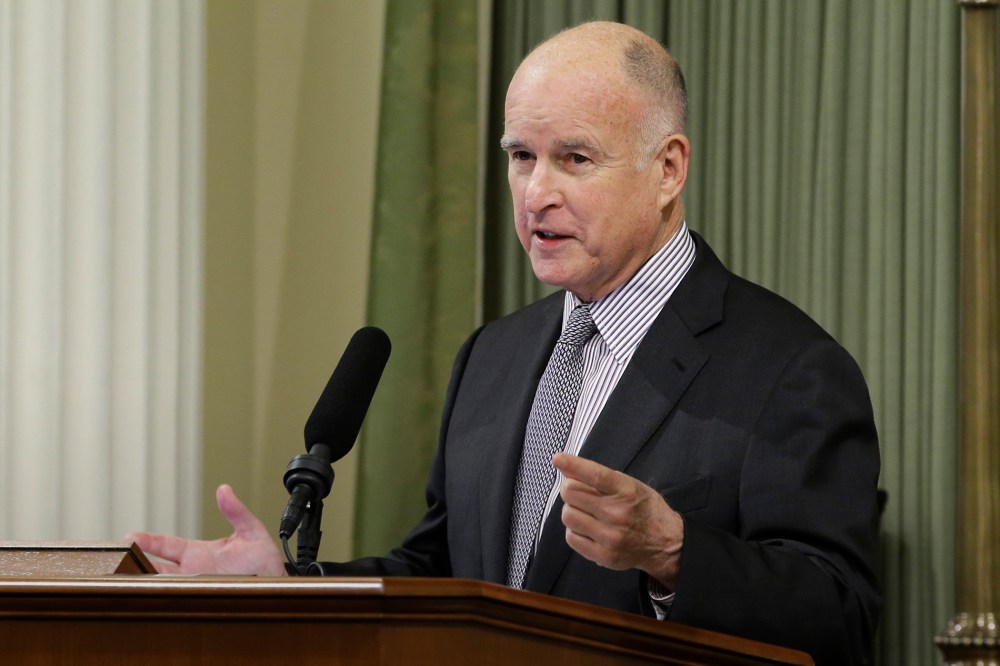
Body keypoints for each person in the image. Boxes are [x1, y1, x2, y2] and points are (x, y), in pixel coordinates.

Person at [131, 21, 881, 665]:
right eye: (521, 156)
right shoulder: (494, 354)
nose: (535, 193)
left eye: (575, 159)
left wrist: (674, 552)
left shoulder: (792, 369)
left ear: (668, 169)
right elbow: (444, 575)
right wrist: (293, 591)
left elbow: (840, 618)